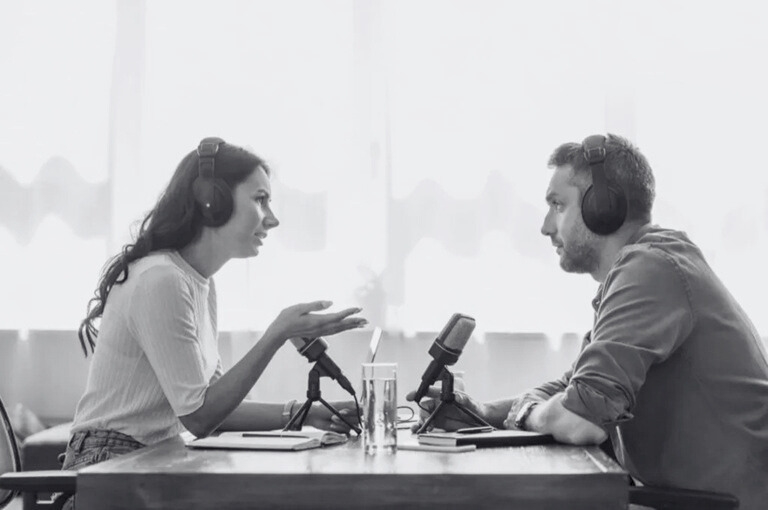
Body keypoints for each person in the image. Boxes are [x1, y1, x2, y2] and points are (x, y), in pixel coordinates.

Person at [408, 134, 768, 509]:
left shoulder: (651, 269)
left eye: (557, 205)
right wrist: (481, 412)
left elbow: (582, 420)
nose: (545, 226)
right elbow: (575, 387)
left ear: (603, 206)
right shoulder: (642, 271)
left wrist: (527, 413)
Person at [62, 138, 367, 482]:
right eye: (260, 200)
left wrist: (304, 413)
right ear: (213, 202)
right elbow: (200, 418)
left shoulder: (197, 283)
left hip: (148, 459)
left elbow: (217, 407)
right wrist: (277, 333)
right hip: (109, 462)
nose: (273, 220)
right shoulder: (161, 279)